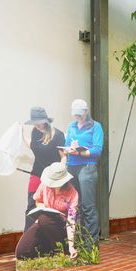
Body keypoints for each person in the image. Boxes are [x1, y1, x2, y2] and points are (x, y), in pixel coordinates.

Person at [16, 162, 78, 260]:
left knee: (44, 218)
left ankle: (61, 249)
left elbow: (71, 220)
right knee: (22, 253)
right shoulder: (44, 185)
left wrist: (71, 246)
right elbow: (38, 201)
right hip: (42, 222)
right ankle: (48, 248)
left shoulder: (72, 193)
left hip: (60, 227)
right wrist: (43, 207)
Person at [64, 99, 103, 246]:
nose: (77, 117)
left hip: (87, 167)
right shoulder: (71, 126)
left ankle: (91, 244)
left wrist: (81, 151)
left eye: (80, 114)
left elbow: (97, 150)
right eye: (75, 115)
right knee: (74, 205)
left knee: (88, 206)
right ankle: (76, 241)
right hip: (72, 166)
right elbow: (67, 145)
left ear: (86, 112)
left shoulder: (96, 126)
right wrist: (69, 148)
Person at [23, 107, 65, 232]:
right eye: (35, 123)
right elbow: (33, 146)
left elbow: (63, 158)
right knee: (31, 207)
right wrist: (21, 133)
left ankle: (51, 242)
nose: (37, 125)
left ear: (46, 121)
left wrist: (58, 172)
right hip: (36, 174)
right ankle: (28, 239)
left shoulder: (58, 135)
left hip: (52, 178)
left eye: (39, 122)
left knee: (50, 208)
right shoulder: (34, 132)